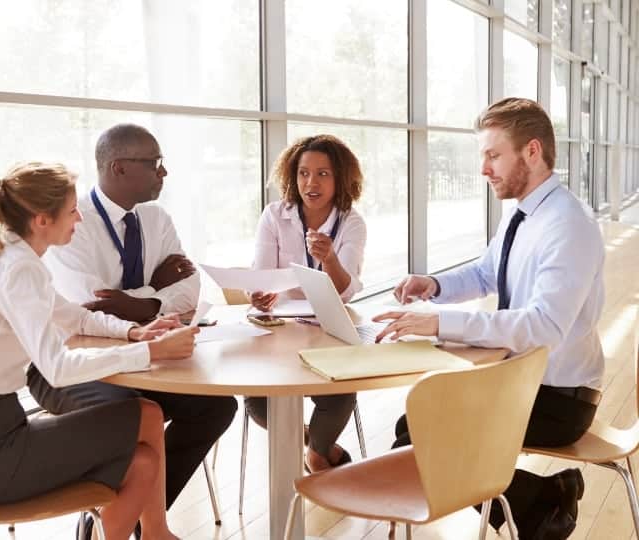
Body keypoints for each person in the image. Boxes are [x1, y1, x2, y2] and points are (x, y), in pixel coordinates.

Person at [374, 98, 604, 540]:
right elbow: (485, 272)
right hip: (523, 379)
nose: (484, 169)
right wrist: (434, 286)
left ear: (532, 152)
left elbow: (544, 327)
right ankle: (541, 501)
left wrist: (441, 324)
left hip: (561, 398)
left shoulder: (568, 226)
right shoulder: (523, 214)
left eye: (493, 155)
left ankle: (541, 504)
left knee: (421, 431)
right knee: (415, 423)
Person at [27, 124, 238, 518]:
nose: (164, 172)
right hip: (73, 366)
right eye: (155, 162)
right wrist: (156, 293)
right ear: (120, 168)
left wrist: (140, 305)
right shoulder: (73, 222)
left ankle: (140, 525)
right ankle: (116, 522)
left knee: (217, 407)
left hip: (140, 348)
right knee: (138, 413)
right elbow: (87, 307)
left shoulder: (157, 218)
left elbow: (190, 289)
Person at [0, 161, 199, 540]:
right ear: (42, 219)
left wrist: (135, 333)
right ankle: (157, 533)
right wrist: (151, 353)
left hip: (9, 424)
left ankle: (156, 532)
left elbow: (75, 317)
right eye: (72, 211)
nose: (79, 218)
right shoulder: (18, 271)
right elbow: (56, 368)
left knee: (143, 459)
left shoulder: (19, 260)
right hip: (3, 444)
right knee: (146, 416)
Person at [247, 134, 367, 472]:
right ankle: (318, 446)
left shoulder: (351, 223)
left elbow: (346, 291)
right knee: (257, 402)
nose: (310, 182)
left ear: (340, 178)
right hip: (280, 330)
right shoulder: (274, 215)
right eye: (303, 173)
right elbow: (262, 274)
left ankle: (316, 454)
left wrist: (329, 258)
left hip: (328, 326)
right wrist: (259, 292)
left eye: (322, 174)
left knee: (340, 391)